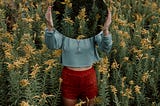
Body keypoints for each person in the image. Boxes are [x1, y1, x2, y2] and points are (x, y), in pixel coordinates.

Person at [45, 4, 112, 106]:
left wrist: (106, 29)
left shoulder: (93, 30)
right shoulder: (64, 30)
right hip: (68, 77)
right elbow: (52, 45)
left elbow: (105, 48)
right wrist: (49, 26)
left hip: (89, 77)